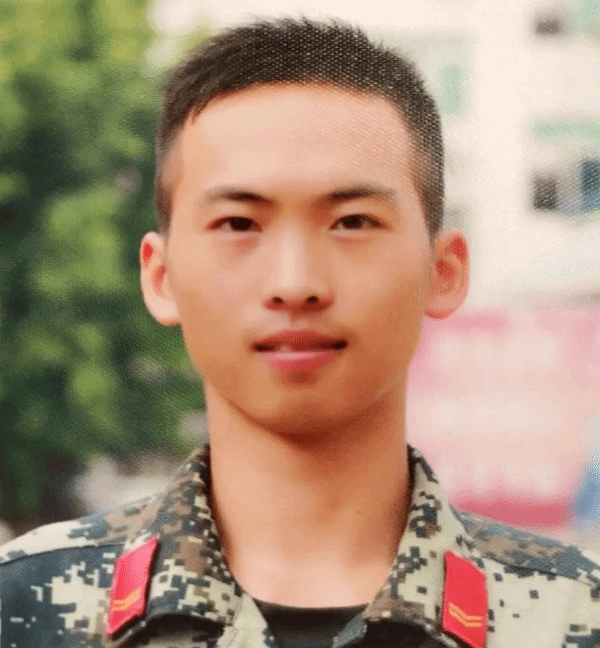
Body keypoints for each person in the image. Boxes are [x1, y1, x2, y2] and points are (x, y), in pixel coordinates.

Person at [1, 17, 599, 648]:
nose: (295, 283)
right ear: (161, 276)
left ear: (443, 272)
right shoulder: (23, 608)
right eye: (238, 224)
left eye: (352, 221)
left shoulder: (574, 618)